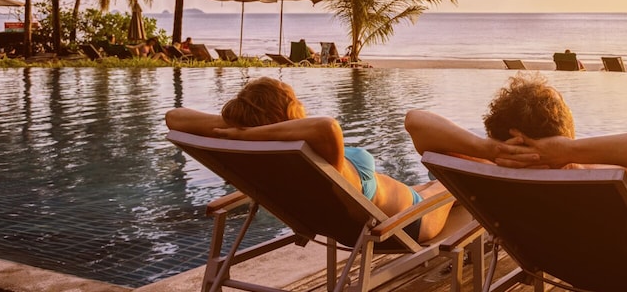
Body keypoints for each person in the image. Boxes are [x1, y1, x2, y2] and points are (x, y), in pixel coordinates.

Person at [404, 74, 627, 254]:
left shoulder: (489, 172)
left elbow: (416, 122)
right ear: (565, 136)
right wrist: (572, 151)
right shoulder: (603, 179)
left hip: (547, 260)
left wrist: (487, 149)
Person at [165, 77, 454, 239]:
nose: (302, 103)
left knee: (432, 181)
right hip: (409, 223)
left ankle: (441, 178)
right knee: (455, 184)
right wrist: (249, 131)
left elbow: (174, 118)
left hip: (376, 212)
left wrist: (246, 128)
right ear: (290, 109)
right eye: (295, 99)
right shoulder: (319, 150)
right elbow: (327, 126)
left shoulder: (274, 155)